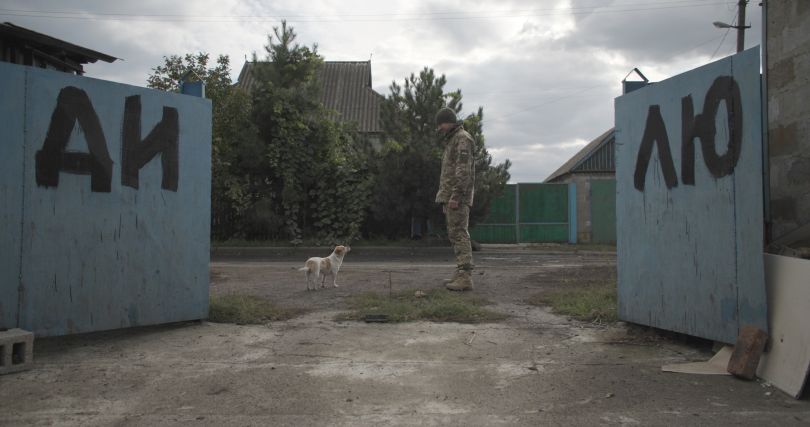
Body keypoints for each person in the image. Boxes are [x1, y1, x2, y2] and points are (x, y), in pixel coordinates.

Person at [434, 107, 475, 291]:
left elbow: (462, 170)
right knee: (455, 233)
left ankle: (465, 276)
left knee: (459, 233)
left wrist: (456, 196)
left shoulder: (462, 139)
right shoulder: (453, 139)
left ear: (447, 122)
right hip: (450, 196)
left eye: (441, 125)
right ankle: (460, 272)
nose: (440, 129)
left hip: (457, 196)